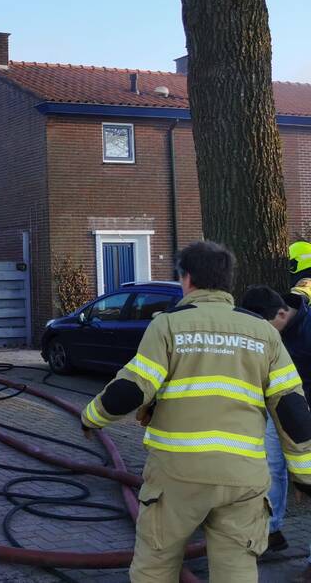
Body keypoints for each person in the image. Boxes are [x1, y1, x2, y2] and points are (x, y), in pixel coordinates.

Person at [80, 241, 311, 582]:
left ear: (186, 278)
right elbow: (292, 410)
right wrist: (305, 478)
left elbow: (130, 389)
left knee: (155, 568)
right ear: (227, 281)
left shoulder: (168, 326)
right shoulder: (264, 333)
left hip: (177, 475)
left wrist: (91, 418)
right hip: (242, 479)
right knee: (237, 571)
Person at [240, 285, 311, 565]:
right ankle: (271, 532)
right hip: (280, 410)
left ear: (282, 314)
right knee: (271, 467)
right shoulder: (275, 330)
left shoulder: (307, 329)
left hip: (303, 411)